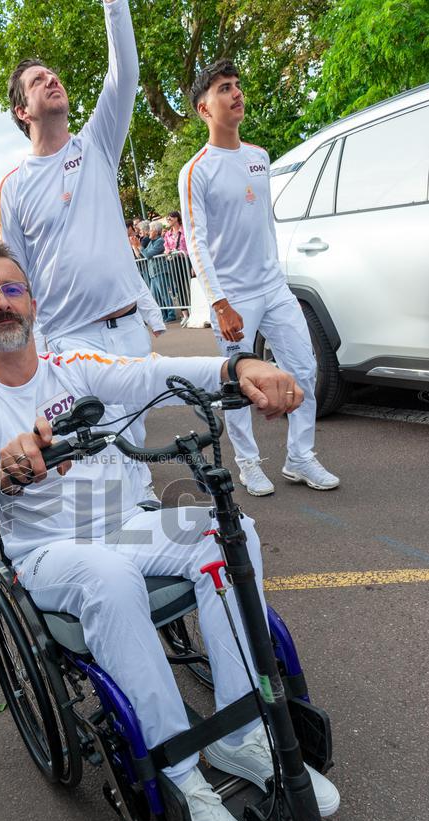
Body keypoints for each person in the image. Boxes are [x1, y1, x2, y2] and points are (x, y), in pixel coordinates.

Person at [0, 240, 340, 821]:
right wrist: (4, 472)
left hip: (127, 522)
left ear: (32, 303)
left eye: (10, 289)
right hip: (50, 551)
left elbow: (151, 374)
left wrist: (239, 368)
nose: (0, 302)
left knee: (226, 530)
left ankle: (238, 732)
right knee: (111, 579)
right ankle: (181, 776)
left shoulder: (74, 363)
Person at [179, 59, 339, 496]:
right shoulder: (196, 169)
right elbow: (196, 241)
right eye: (224, 89)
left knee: (303, 368)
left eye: (236, 86)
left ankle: (299, 457)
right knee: (238, 384)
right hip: (233, 297)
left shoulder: (259, 157)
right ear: (203, 108)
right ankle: (248, 463)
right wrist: (218, 301)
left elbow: (263, 224)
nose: (236, 94)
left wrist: (278, 274)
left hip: (272, 287)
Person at [0, 0, 151, 361]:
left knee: (136, 421)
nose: (52, 79)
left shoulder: (97, 144)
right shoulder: (13, 186)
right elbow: (14, 275)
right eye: (38, 80)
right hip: (70, 341)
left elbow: (124, 75)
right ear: (22, 111)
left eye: (53, 75)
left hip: (130, 331)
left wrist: (113, 6)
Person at [133, 220, 177, 322]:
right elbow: (143, 254)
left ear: (156, 231)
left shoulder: (160, 241)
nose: (149, 232)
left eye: (151, 230)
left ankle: (171, 314)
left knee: (164, 294)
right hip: (153, 272)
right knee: (155, 296)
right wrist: (137, 247)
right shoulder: (151, 242)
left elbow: (148, 255)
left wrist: (139, 246)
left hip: (160, 271)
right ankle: (164, 315)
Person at [164, 210, 190, 327]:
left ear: (176, 218)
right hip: (174, 262)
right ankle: (185, 314)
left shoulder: (185, 230)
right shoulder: (167, 234)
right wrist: (168, 251)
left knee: (190, 286)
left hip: (186, 260)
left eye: (169, 218)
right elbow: (166, 247)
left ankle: (196, 311)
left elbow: (190, 245)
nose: (168, 221)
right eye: (167, 219)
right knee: (179, 289)